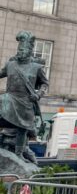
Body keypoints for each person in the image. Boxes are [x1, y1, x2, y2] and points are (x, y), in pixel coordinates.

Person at [0, 31, 49, 163]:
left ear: (29, 50)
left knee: (23, 128)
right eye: (19, 49)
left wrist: (38, 95)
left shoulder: (36, 67)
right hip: (9, 99)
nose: (21, 51)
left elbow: (45, 83)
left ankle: (19, 153)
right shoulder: (10, 64)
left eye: (24, 49)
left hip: (26, 102)